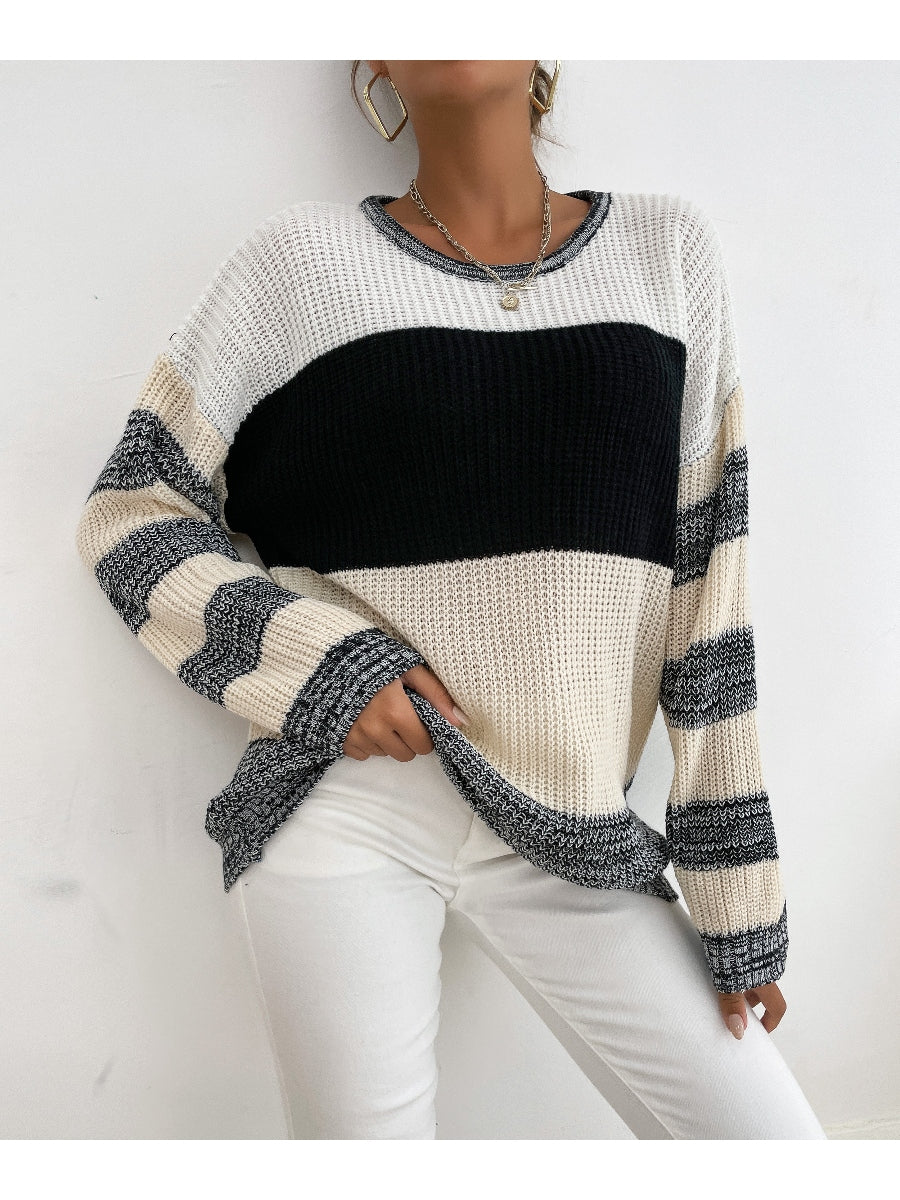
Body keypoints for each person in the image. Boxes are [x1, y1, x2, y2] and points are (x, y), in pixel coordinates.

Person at [74, 59, 827, 1139]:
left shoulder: (668, 252)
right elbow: (131, 511)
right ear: (374, 60)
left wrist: (733, 891)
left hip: (573, 819)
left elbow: (710, 591)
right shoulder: (295, 268)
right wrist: (326, 668)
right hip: (349, 804)